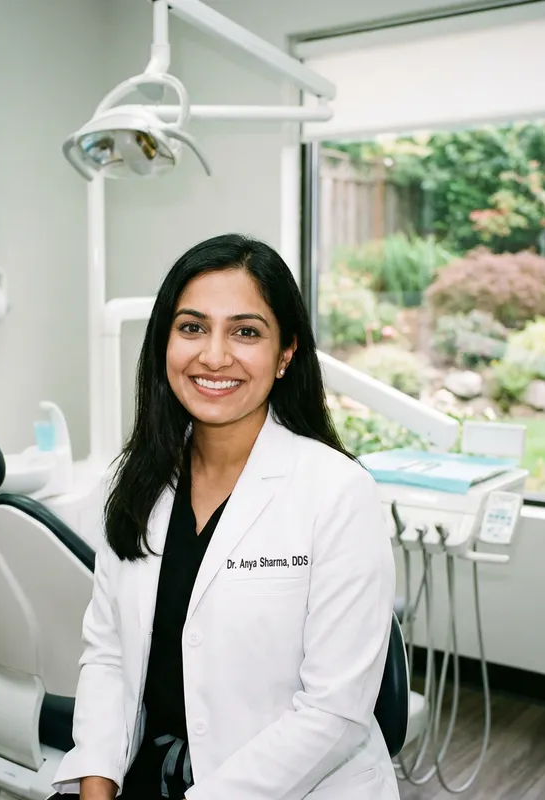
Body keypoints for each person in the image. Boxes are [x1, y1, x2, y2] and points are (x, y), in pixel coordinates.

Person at [51, 233, 399, 800]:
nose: (214, 355)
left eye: (245, 332)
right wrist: (96, 786)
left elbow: (334, 713)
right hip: (149, 772)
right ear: (165, 342)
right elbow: (109, 655)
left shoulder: (337, 491)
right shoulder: (137, 480)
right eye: (192, 327)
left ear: (286, 353)